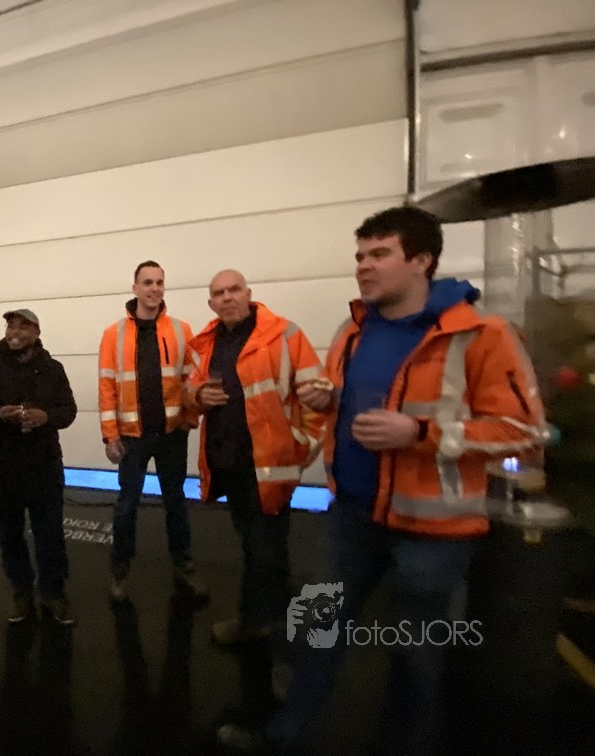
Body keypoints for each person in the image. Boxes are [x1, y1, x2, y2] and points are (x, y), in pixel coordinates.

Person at [228, 206, 546, 755]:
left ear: (422, 260)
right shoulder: (353, 331)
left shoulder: (481, 334)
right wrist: (327, 399)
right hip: (351, 517)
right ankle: (282, 735)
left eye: (380, 254)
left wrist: (419, 431)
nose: (364, 266)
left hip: (434, 533)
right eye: (360, 255)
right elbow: (348, 405)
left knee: (414, 655)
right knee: (312, 632)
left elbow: (524, 430)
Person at [186, 270, 327, 646]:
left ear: (249, 294)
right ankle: (272, 617)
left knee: (265, 548)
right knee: (257, 545)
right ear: (211, 303)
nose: (228, 297)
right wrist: (198, 396)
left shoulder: (284, 334)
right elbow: (189, 388)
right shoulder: (206, 342)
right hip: (229, 463)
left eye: (234, 289)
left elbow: (318, 397)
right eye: (219, 293)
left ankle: (266, 629)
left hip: (268, 466)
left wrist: (301, 448)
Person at [0, 309, 78, 625]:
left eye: (23, 326)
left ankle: (53, 593)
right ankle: (22, 592)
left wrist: (46, 417)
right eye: (10, 325)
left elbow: (68, 410)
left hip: (43, 466)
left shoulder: (53, 370)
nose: (14, 331)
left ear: (37, 332)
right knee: (9, 536)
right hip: (2, 468)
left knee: (50, 535)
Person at [98, 260, 207, 603]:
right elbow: (106, 388)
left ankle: (184, 566)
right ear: (135, 288)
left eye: (160, 282)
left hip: (172, 434)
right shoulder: (113, 334)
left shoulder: (181, 330)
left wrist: (190, 418)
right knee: (126, 506)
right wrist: (110, 435)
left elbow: (194, 379)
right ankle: (119, 571)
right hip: (132, 438)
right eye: (147, 282)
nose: (154, 288)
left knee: (176, 503)